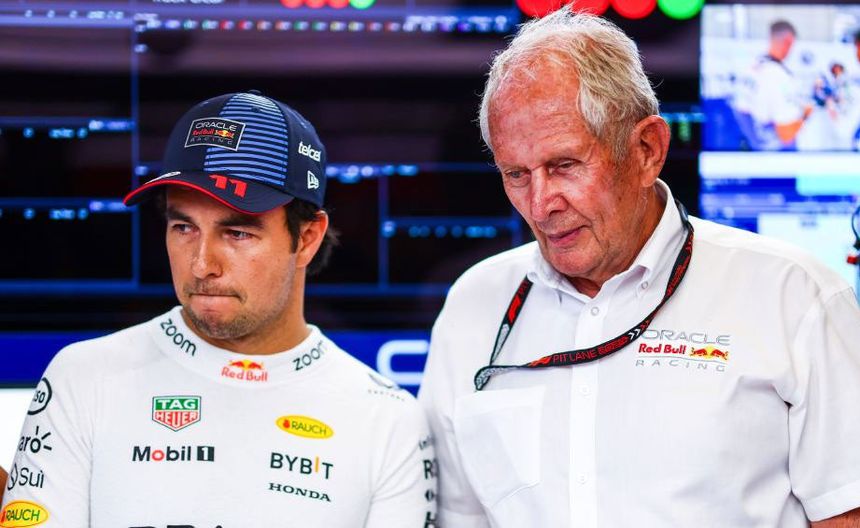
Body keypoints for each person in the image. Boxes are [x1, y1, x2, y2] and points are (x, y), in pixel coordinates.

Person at [418, 7, 860, 527]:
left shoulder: (794, 296)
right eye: (516, 174)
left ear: (648, 150)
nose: (540, 204)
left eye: (564, 165)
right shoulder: (474, 304)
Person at [1, 91, 437, 527]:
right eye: (183, 227)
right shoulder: (84, 378)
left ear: (307, 238)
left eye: (237, 233)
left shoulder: (387, 420)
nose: (201, 265)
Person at [733, 19, 812, 150]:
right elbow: (786, 135)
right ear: (788, 41)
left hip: (749, 148)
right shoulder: (778, 76)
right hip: (774, 154)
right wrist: (806, 114)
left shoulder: (751, 67)